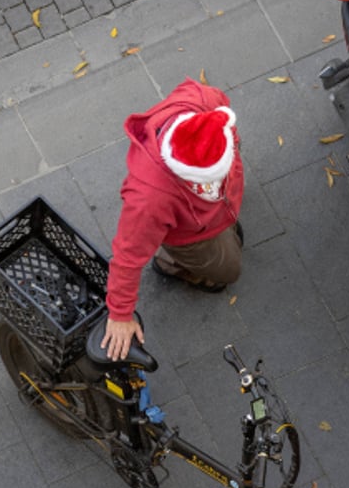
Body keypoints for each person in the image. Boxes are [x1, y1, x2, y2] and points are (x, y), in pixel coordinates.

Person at [101, 77, 244, 360]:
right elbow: (127, 255)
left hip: (212, 211)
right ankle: (175, 264)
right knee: (229, 273)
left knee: (231, 245)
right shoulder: (149, 199)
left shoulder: (201, 101)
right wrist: (120, 313)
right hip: (191, 234)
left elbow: (212, 95)